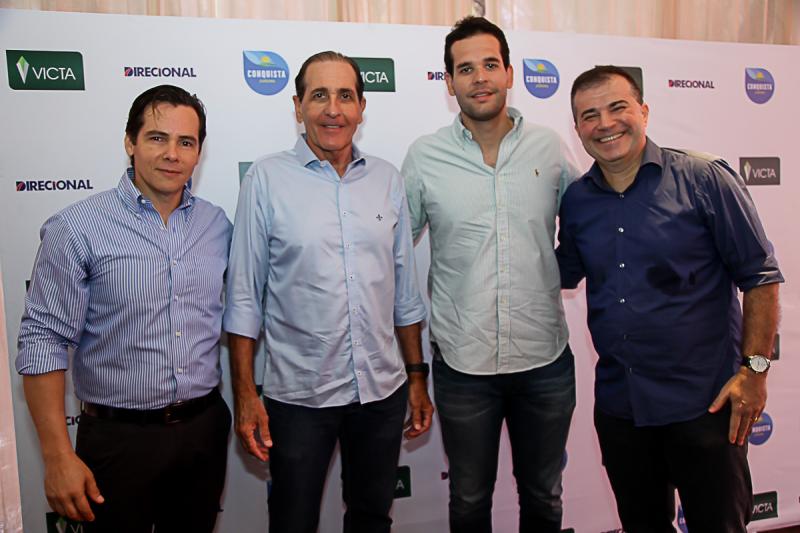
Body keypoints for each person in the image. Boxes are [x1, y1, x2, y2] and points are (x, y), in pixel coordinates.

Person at [557, 65, 783, 531]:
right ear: (577, 128)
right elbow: (561, 272)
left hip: (707, 406)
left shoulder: (704, 179)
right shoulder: (577, 201)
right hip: (622, 408)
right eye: (589, 115)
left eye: (617, 108)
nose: (605, 123)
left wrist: (755, 372)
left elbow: (760, 277)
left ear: (644, 111)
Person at [223, 51, 432, 533]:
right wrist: (246, 394)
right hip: (300, 398)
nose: (333, 109)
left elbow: (404, 293)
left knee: (372, 519)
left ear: (361, 107)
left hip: (381, 392)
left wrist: (417, 376)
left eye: (345, 96)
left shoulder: (387, 179)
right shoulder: (266, 179)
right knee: (293, 522)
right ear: (298, 106)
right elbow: (243, 297)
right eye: (319, 95)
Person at [16, 84, 233, 532]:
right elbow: (42, 340)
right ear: (130, 142)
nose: (172, 154)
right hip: (118, 442)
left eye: (186, 142)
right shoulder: (77, 227)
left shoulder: (217, 225)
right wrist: (57, 456)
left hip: (204, 431)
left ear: (199, 152)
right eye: (157, 138)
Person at [402, 17, 579, 533]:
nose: (479, 78)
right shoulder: (424, 157)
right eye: (465, 69)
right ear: (449, 81)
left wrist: (561, 271)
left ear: (509, 74)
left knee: (543, 496)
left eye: (489, 65)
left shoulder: (550, 148)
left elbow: (591, 225)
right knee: (469, 499)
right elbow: (391, 251)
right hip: (463, 366)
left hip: (544, 361)